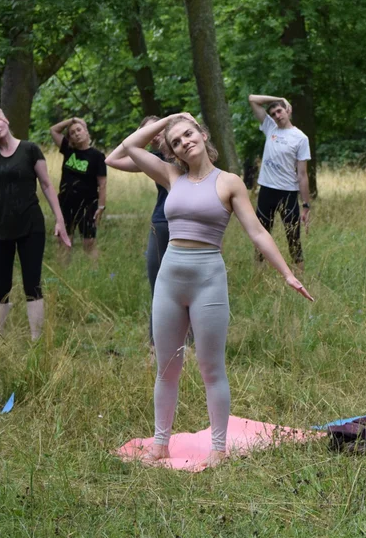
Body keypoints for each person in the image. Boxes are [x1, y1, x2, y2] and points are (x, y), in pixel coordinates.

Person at [120, 113, 313, 468]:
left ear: (203, 134)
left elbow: (257, 232)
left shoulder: (229, 182)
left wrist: (286, 272)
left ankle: (219, 449)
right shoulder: (170, 175)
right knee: (167, 368)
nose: (184, 143)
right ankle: (160, 443)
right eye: (175, 142)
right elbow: (129, 147)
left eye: (188, 134)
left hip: (208, 279)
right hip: (169, 280)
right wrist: (168, 120)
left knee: (212, 368)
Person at [0, 107, 71, 339]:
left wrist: (60, 221)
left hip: (30, 225)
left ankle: (36, 339)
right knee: (0, 286)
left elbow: (46, 185)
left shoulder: (30, 149)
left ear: (5, 119)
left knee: (31, 284)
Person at [105, 116, 172, 348]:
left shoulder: (187, 151)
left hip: (190, 226)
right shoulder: (151, 160)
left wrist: (169, 124)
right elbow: (112, 159)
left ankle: (190, 344)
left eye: (157, 129)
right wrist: (143, 138)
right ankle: (155, 345)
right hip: (161, 223)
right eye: (148, 133)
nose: (154, 135)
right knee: (158, 285)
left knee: (188, 287)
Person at [248, 95, 312, 272]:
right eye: (273, 113)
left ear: (287, 111)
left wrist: (305, 204)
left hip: (288, 192)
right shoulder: (270, 127)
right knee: (262, 232)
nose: (277, 115)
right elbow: (252, 99)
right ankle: (258, 272)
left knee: (293, 236)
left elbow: (302, 174)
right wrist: (279, 98)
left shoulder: (301, 138)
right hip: (267, 190)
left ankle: (300, 274)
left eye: (279, 110)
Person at [49, 117, 107, 262]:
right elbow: (53, 130)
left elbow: (102, 184)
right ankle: (64, 274)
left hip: (88, 204)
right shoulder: (68, 149)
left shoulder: (97, 156)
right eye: (72, 132)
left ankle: (94, 273)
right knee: (64, 242)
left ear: (86, 132)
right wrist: (72, 120)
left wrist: (101, 206)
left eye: (79, 130)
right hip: (66, 202)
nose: (76, 134)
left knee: (89, 243)